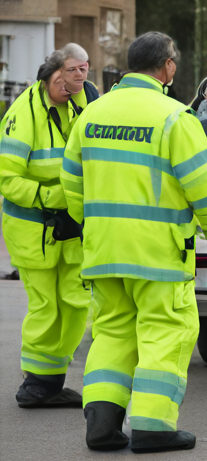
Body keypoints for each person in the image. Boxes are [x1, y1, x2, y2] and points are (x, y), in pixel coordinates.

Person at [61, 31, 207, 453]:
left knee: (113, 333)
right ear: (167, 66)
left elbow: (72, 185)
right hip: (159, 254)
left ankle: (101, 425)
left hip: (103, 251)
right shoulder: (175, 118)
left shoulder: (91, 115)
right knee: (165, 331)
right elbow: (205, 189)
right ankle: (154, 427)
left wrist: (96, 227)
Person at [0, 49, 92, 408]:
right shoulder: (22, 114)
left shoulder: (84, 99)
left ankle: (50, 381)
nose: (74, 82)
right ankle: (35, 383)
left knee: (74, 304)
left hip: (70, 225)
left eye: (82, 72)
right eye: (68, 74)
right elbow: (7, 179)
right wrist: (57, 196)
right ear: (49, 74)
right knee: (45, 306)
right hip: (34, 227)